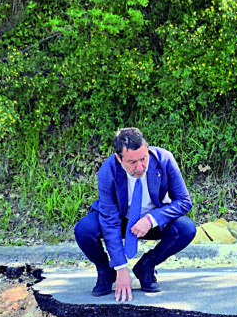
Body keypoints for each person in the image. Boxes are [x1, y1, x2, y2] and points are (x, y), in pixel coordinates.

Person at [74, 127, 196, 301]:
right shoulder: (108, 170)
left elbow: (184, 201)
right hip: (120, 218)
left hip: (150, 221)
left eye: (143, 159)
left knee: (186, 228)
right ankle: (105, 272)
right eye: (132, 162)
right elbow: (109, 220)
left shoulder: (164, 159)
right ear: (119, 158)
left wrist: (152, 219)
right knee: (84, 230)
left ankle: (146, 266)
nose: (140, 167)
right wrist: (121, 267)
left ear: (147, 150)